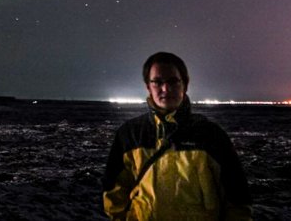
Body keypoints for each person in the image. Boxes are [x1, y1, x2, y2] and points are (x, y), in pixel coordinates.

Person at [102, 52, 252, 220]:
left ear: (185, 85)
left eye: (173, 81)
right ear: (148, 87)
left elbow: (237, 198)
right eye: (158, 82)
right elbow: (113, 193)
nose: (166, 89)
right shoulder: (130, 134)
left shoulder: (211, 135)